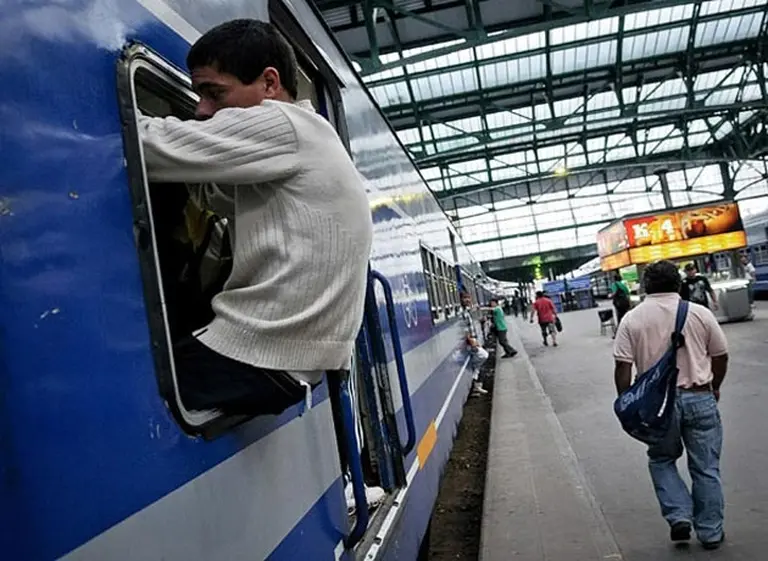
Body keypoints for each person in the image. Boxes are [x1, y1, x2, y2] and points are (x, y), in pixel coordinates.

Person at [138, 20, 373, 416]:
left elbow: (145, 142)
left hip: (260, 353)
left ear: (269, 83)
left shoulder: (284, 123)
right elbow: (213, 192)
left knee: (130, 401)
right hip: (292, 359)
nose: (201, 110)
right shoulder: (310, 140)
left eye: (215, 93)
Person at [613, 260, 729, 549]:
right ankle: (711, 532)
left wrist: (626, 401)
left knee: (662, 459)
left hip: (657, 406)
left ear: (645, 287)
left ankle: (678, 515)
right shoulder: (699, 313)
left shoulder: (631, 319)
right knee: (706, 468)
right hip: (700, 396)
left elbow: (622, 367)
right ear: (678, 285)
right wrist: (714, 386)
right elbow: (721, 354)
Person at [460, 291, 489, 395]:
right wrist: (471, 340)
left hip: (473, 339)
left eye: (468, 298)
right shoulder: (463, 313)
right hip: (471, 341)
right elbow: (464, 327)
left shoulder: (467, 311)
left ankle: (476, 382)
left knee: (481, 359)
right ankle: (476, 381)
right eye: (465, 298)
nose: (467, 300)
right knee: (484, 355)